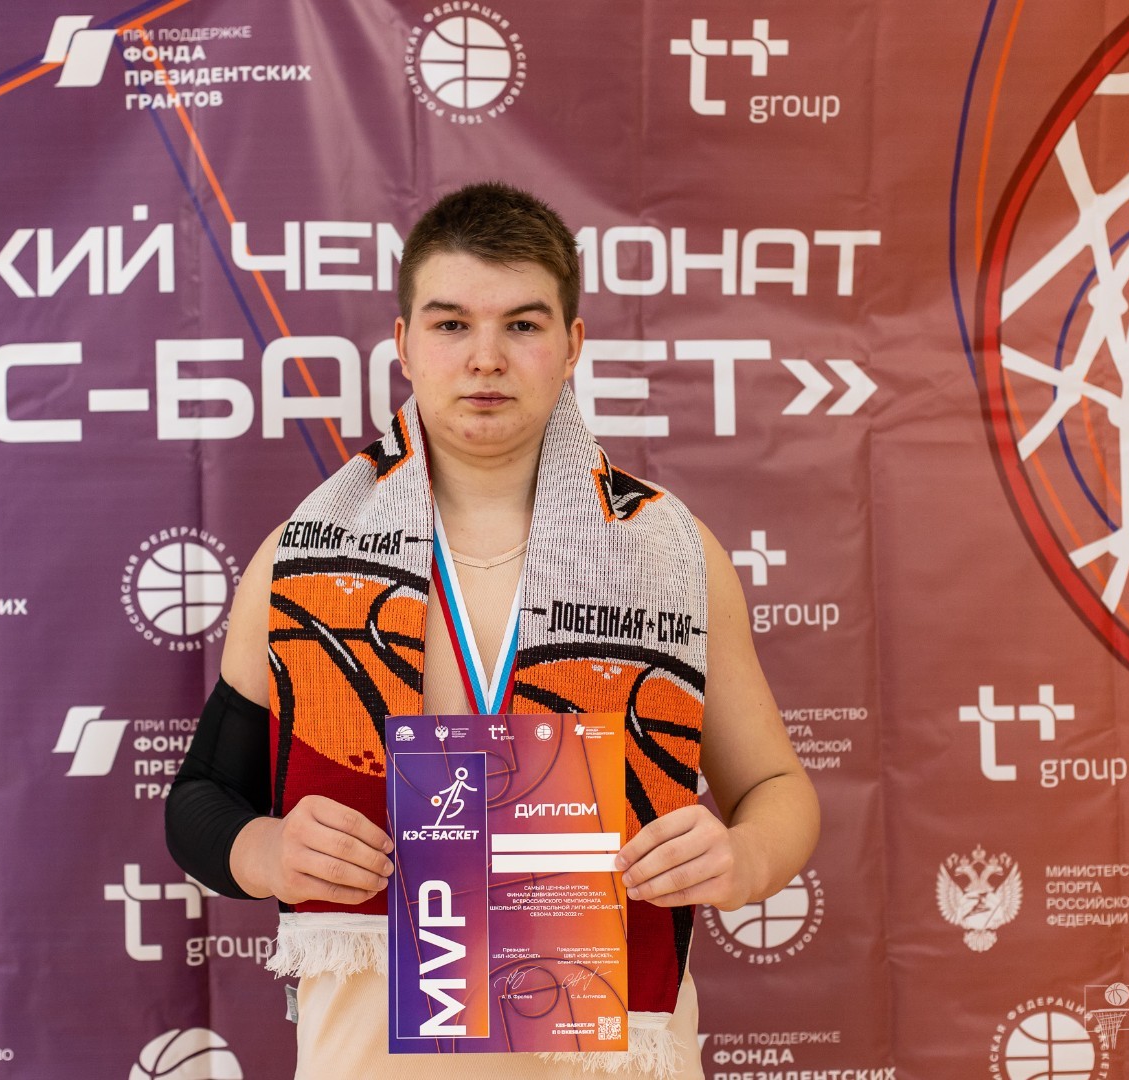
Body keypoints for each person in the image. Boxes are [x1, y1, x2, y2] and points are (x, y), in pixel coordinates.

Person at [166, 182, 819, 1079]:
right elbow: (200, 798)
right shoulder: (302, 559)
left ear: (571, 344)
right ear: (403, 344)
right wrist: (266, 850)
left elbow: (778, 788)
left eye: (521, 324)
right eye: (450, 325)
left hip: (609, 1060)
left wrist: (742, 857)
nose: (485, 359)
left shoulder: (670, 552)